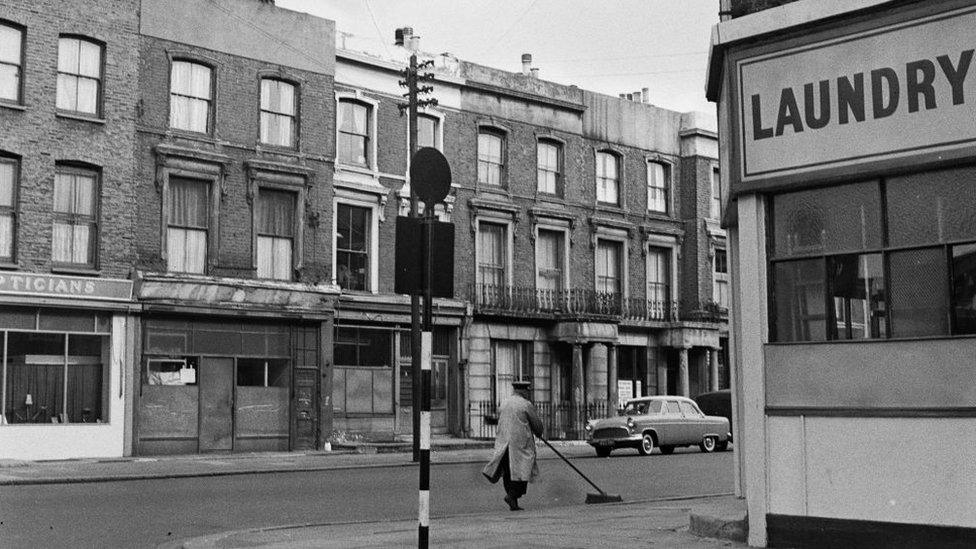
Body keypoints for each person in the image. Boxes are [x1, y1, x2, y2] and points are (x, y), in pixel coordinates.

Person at [482, 381, 544, 511]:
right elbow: (537, 426)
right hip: (520, 446)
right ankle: (511, 496)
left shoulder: (504, 403)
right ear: (524, 391)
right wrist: (538, 431)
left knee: (509, 474)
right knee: (522, 473)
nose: (529, 393)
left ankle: (513, 502)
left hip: (504, 445)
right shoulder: (526, 405)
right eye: (528, 391)